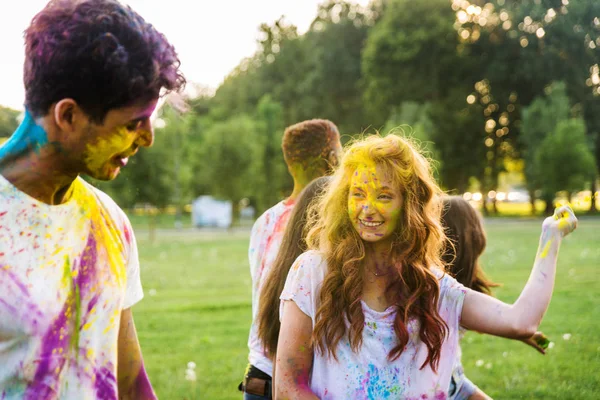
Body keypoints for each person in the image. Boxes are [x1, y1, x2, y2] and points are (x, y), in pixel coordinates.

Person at [275, 134, 577, 399]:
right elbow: (289, 386)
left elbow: (520, 322)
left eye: (383, 196)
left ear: (409, 204)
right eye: (358, 194)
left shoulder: (431, 285)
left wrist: (551, 238)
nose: (368, 209)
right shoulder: (314, 272)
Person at [0, 0, 184, 398]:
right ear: (68, 116)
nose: (147, 138)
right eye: (133, 123)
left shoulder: (109, 220)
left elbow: (131, 380)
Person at [240, 120, 342, 399]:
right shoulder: (336, 219)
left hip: (260, 374)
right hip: (308, 378)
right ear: (333, 158)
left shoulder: (265, 222)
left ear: (289, 164)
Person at [441, 196, 549, 400]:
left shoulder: (454, 291)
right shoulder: (436, 292)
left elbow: (467, 318)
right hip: (439, 390)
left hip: (455, 382)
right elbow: (522, 322)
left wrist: (516, 333)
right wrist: (552, 236)